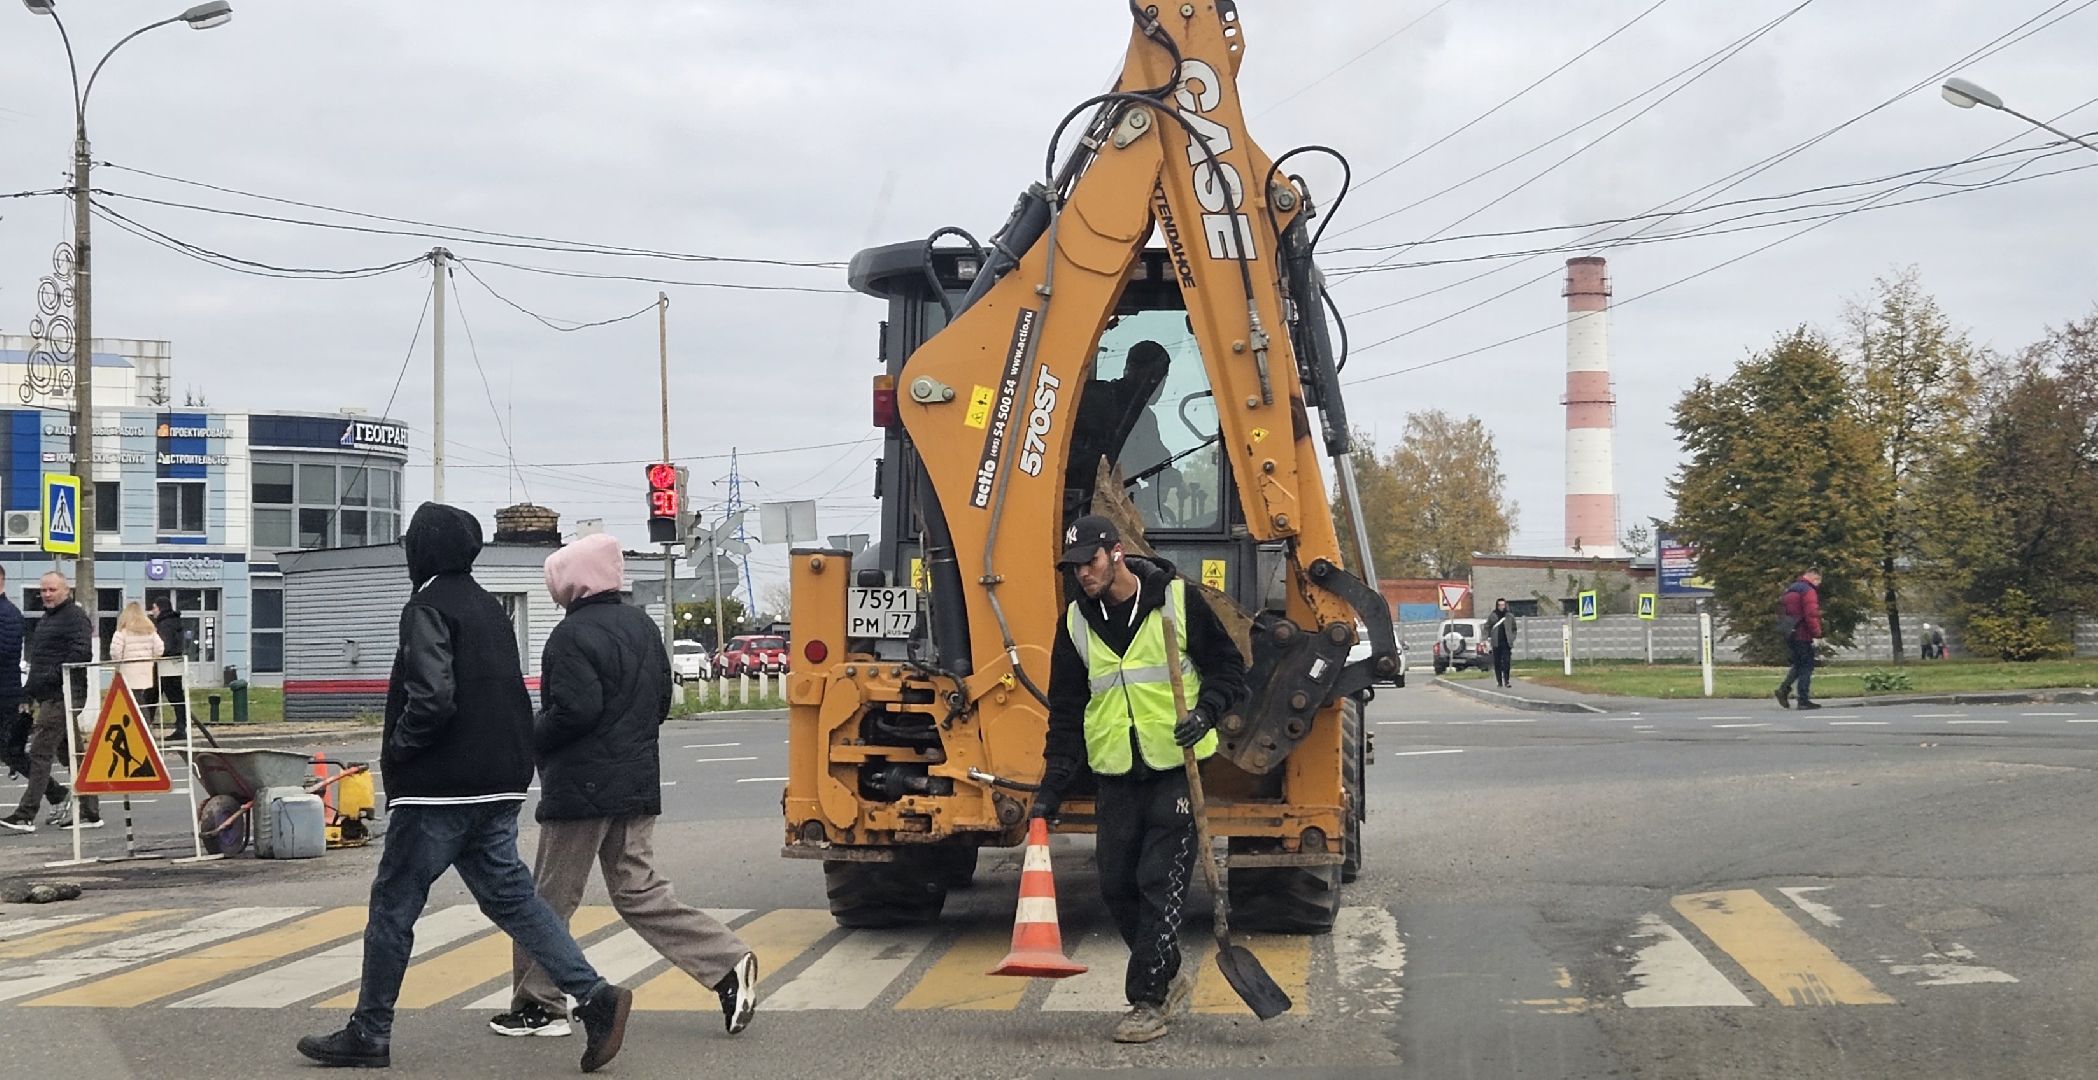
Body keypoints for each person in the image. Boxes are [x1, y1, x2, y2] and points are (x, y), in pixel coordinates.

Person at [298, 504, 634, 1072]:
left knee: (393, 906)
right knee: (515, 902)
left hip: (438, 790)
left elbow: (431, 697)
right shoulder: (489, 608)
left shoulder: (426, 606)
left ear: (422, 550)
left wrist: (402, 749)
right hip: (498, 785)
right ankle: (595, 996)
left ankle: (369, 1031)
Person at [489, 533, 758, 1041]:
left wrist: (530, 737)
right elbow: (659, 702)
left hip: (581, 789)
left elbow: (576, 710)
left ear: (574, 583)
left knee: (546, 899)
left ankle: (537, 1005)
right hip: (635, 782)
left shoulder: (570, 638)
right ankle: (727, 961)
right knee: (639, 890)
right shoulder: (642, 628)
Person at [1031, 515, 1247, 1045]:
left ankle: (1146, 999)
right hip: (1116, 773)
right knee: (1115, 885)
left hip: (1178, 766)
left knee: (1158, 880)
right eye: (1075, 566)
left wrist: (1206, 713)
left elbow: (1230, 671)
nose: (1082, 573)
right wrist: (1052, 786)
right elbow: (1066, 712)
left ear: (1117, 552)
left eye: (1091, 561)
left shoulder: (1175, 599)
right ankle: (1169, 972)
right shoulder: (1076, 623)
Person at [2, 571, 95, 832]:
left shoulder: (75, 617)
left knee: (40, 753)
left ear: (66, 590)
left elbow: (82, 653)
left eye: (52, 590)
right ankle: (91, 812)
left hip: (64, 693)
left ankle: (26, 814)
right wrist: (28, 692)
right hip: (47, 694)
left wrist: (52, 675)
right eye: (43, 590)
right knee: (73, 755)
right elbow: (39, 659)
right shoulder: (47, 618)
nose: (46, 594)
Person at [1775, 569, 1824, 711]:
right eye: (1818, 581)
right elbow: (1811, 614)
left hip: (1790, 632)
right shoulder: (1808, 591)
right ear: (1814, 578)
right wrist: (1817, 633)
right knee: (1807, 666)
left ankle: (1783, 690)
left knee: (1798, 664)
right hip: (1803, 633)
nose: (1818, 585)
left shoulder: (1790, 590)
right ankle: (1803, 700)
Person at [147, 598, 190, 740]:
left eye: (154, 608)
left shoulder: (164, 624)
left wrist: (154, 654)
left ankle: (146, 727)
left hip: (164, 665)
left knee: (151, 696)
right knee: (177, 697)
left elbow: (165, 646)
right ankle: (181, 726)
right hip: (174, 665)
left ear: (160, 608)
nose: (152, 611)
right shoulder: (175, 621)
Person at [111, 602, 164, 715]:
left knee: (134, 702)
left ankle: (144, 728)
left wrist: (118, 665)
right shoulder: (150, 631)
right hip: (145, 671)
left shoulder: (121, 632)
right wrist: (152, 660)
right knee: (139, 699)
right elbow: (159, 649)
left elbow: (116, 653)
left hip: (127, 672)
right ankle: (143, 726)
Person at [0, 567, 28, 780]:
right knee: (8, 750)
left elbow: (4, 648)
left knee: (9, 750)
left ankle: (55, 792)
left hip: (4, 693)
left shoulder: (7, 613)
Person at [1485, 598, 1517, 688]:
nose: (1501, 607)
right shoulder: (1493, 615)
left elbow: (1514, 628)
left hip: (1506, 643)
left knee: (1506, 662)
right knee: (1497, 662)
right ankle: (1499, 681)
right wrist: (1487, 638)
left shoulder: (1509, 616)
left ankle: (1507, 681)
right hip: (1496, 643)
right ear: (1497, 605)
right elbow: (1487, 627)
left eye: (1503, 605)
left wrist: (1512, 638)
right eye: (1500, 605)